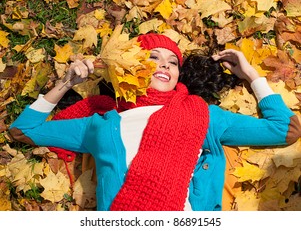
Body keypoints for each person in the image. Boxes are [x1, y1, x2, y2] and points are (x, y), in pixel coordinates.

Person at [8, 33, 301, 211]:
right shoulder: (102, 124)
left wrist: (250, 75)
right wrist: (66, 83)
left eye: (172, 62)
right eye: (153, 57)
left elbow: (285, 129)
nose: (164, 65)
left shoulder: (203, 114)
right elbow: (24, 130)